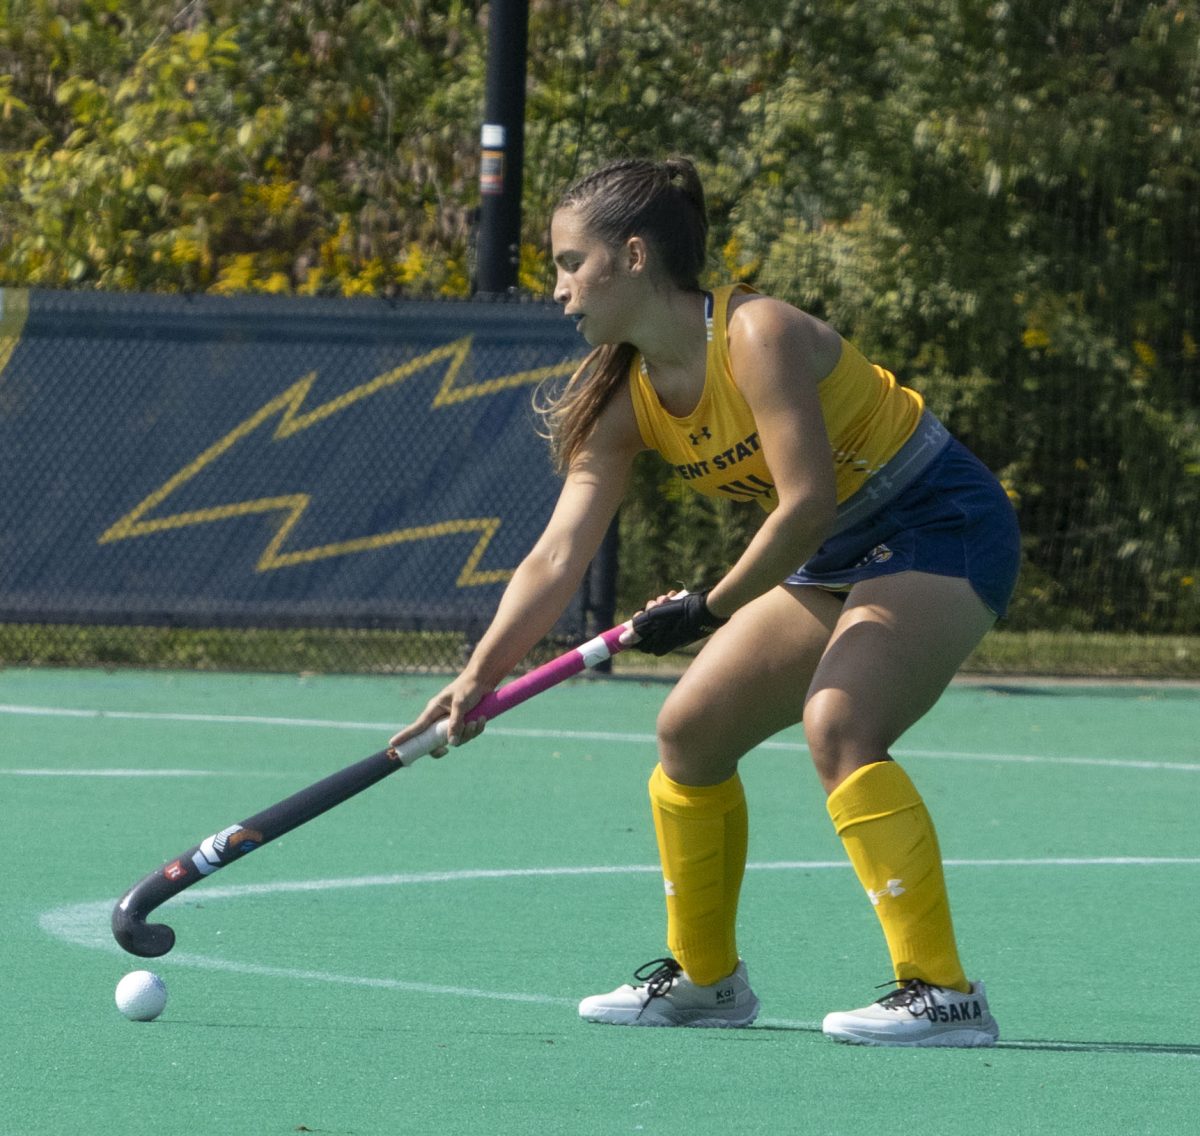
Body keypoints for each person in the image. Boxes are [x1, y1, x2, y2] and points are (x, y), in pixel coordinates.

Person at [391, 156, 1020, 1047]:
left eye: (572, 263)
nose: (559, 287)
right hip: (839, 553)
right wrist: (478, 676)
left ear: (634, 256)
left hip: (940, 522)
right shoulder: (625, 397)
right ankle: (706, 980)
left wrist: (710, 606)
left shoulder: (755, 336)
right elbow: (558, 555)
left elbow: (806, 504)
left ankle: (945, 994)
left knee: (840, 724)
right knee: (691, 731)